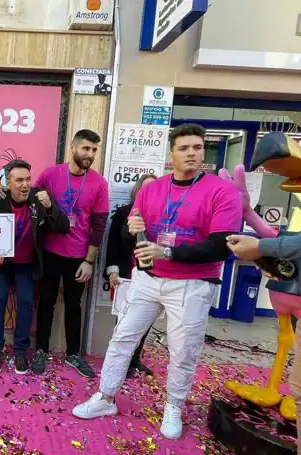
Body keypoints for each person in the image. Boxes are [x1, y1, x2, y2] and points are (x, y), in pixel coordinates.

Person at [72, 123, 242, 440]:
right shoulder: (152, 189)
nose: (191, 153)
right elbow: (129, 235)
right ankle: (105, 397)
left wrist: (169, 251)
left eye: (197, 147)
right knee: (123, 337)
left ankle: (173, 407)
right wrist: (131, 226)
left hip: (193, 284)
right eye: (184, 148)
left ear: (203, 152)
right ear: (171, 154)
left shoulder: (222, 192)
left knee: (183, 351)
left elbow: (221, 245)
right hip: (148, 279)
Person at [30, 129, 109, 377]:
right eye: (85, 148)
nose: (90, 154)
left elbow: (98, 226)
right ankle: (41, 350)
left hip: (78, 256)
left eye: (94, 150)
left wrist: (89, 260)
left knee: (74, 306)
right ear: (73, 148)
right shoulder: (51, 174)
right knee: (46, 303)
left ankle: (74, 354)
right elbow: (30, 196)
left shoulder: (99, 183)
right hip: (50, 251)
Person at [0, 159, 70, 374]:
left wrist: (50, 206)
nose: (24, 185)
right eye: (19, 180)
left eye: (27, 180)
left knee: (24, 302)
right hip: (2, 264)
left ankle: (21, 350)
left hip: (26, 264)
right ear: (8, 183)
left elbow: (64, 227)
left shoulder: (39, 199)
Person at [105, 173, 157, 376]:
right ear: (137, 190)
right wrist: (112, 270)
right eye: (145, 188)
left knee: (146, 322)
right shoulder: (123, 213)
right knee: (124, 323)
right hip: (127, 274)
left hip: (153, 276)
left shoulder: (163, 215)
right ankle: (120, 364)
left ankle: (135, 359)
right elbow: (113, 245)